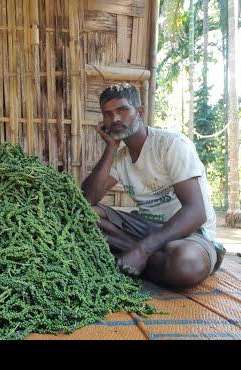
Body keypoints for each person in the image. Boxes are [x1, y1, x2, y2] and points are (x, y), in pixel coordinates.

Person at [81, 83, 225, 288]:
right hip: (146, 228)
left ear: (139, 112)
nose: (115, 119)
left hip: (189, 232)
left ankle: (136, 255)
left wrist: (143, 250)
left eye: (122, 110)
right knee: (85, 215)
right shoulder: (119, 158)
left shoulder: (171, 145)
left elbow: (196, 212)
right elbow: (86, 200)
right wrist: (111, 147)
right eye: (108, 114)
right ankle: (150, 259)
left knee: (186, 264)